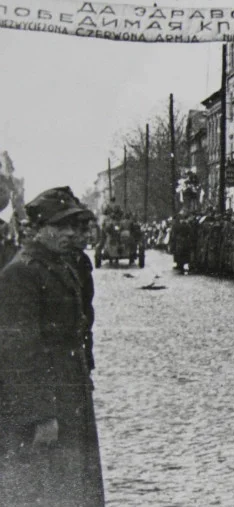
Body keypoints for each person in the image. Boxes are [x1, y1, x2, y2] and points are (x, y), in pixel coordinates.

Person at [0, 186, 105, 506]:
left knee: (76, 481)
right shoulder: (21, 273)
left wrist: (84, 371)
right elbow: (19, 351)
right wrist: (40, 414)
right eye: (61, 227)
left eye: (74, 227)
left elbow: (80, 326)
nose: (70, 234)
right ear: (39, 230)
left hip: (69, 390)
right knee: (46, 486)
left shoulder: (63, 265)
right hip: (48, 397)